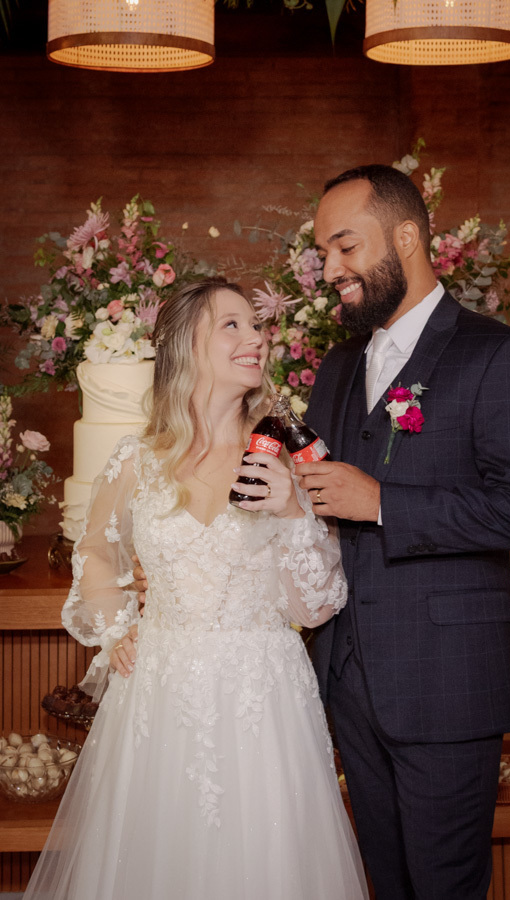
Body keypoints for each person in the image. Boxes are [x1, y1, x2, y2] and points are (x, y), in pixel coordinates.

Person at [23, 279, 368, 900]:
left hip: (263, 697)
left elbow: (315, 603)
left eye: (256, 325)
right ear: (185, 345)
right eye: (231, 324)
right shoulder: (137, 461)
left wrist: (292, 509)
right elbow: (97, 553)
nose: (256, 337)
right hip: (160, 692)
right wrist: (115, 627)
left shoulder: (288, 464)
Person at [293, 165, 510, 899]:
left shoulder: (499, 353)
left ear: (407, 237)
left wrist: (382, 501)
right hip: (349, 676)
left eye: (345, 247)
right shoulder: (339, 367)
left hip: (445, 682)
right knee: (386, 880)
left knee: (443, 885)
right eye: (324, 253)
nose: (331, 269)